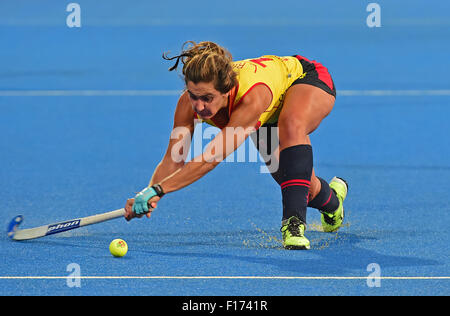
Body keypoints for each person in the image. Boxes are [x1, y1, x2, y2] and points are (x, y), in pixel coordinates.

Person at [124, 41, 348, 250]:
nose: (199, 106)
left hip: (304, 79)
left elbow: (211, 158)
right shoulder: (187, 104)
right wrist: (149, 192)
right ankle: (334, 203)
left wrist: (159, 189)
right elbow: (174, 158)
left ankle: (293, 224)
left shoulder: (251, 98)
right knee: (298, 186)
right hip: (268, 115)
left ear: (226, 90)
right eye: (194, 96)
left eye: (207, 98)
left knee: (291, 125)